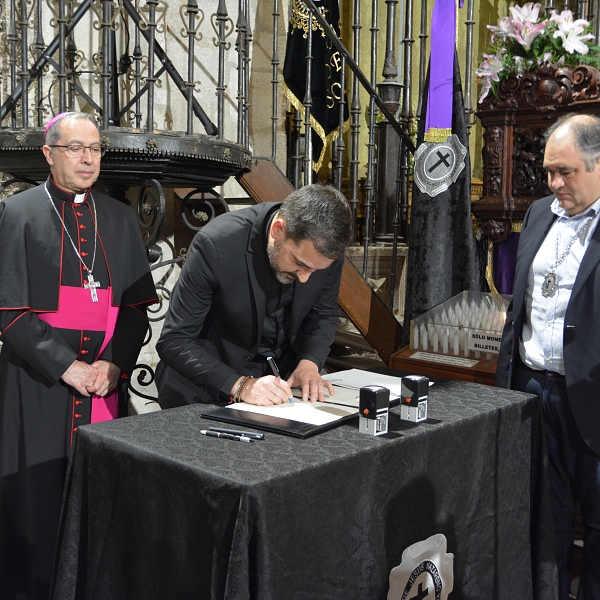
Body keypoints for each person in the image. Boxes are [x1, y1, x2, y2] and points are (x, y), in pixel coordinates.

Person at [0, 112, 157, 600]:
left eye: (95, 149)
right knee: (34, 509)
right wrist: (67, 366)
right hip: (38, 386)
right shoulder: (19, 213)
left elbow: (134, 309)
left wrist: (113, 365)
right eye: (75, 148)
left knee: (101, 506)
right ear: (49, 154)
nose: (88, 158)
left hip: (104, 388)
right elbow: (8, 313)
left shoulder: (119, 217)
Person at [496, 113, 600, 600]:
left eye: (566, 172)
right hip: (534, 392)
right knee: (545, 521)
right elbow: (522, 302)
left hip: (592, 399)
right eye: (549, 172)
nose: (554, 183)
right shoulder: (540, 213)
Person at [156, 183, 352, 408]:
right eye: (299, 264)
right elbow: (174, 341)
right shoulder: (217, 243)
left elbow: (323, 313)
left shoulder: (324, 253)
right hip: (203, 385)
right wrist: (241, 385)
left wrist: (309, 363)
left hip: (275, 386)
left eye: (315, 270)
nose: (306, 278)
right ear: (278, 229)